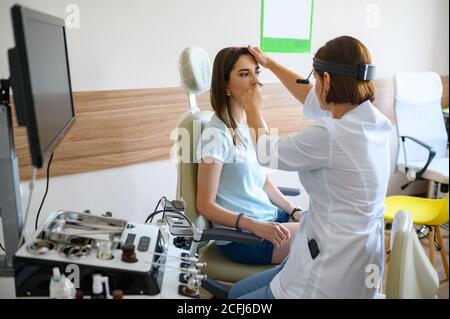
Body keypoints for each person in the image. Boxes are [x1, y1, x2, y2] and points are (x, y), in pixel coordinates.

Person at [229, 36, 392, 298]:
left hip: (327, 269)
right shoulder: (374, 121)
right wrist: (269, 63)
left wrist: (253, 109)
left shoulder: (331, 134)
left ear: (327, 81)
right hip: (360, 256)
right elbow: (311, 99)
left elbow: (265, 152)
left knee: (238, 298)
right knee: (237, 292)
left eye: (315, 78)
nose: (313, 86)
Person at [196, 47, 302, 265]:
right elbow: (204, 205)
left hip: (269, 217)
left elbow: (264, 182)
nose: (256, 81)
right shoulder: (216, 135)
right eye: (245, 74)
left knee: (326, 224)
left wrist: (293, 210)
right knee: (323, 238)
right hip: (244, 237)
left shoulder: (251, 125)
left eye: (257, 72)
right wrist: (254, 225)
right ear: (225, 84)